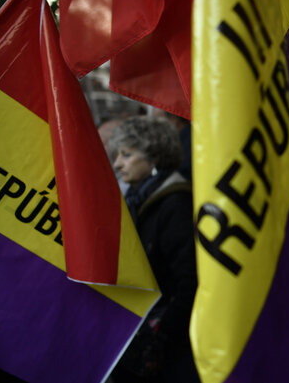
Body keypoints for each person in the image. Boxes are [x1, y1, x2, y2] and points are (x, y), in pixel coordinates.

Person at [109, 116, 199, 383]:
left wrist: (161, 329)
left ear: (154, 157)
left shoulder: (175, 203)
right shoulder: (139, 199)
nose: (117, 164)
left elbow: (189, 281)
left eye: (127, 154)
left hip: (171, 348)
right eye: (117, 155)